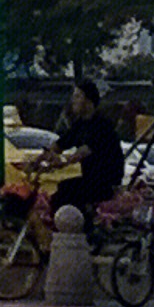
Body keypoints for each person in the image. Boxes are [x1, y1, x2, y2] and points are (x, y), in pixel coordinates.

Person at [58, 86, 126, 215]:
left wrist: (61, 161)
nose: (73, 100)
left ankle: (79, 228)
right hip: (90, 180)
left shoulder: (101, 125)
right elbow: (61, 143)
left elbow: (83, 152)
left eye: (77, 96)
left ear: (89, 102)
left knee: (65, 194)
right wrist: (41, 158)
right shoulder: (80, 124)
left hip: (105, 183)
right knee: (62, 189)